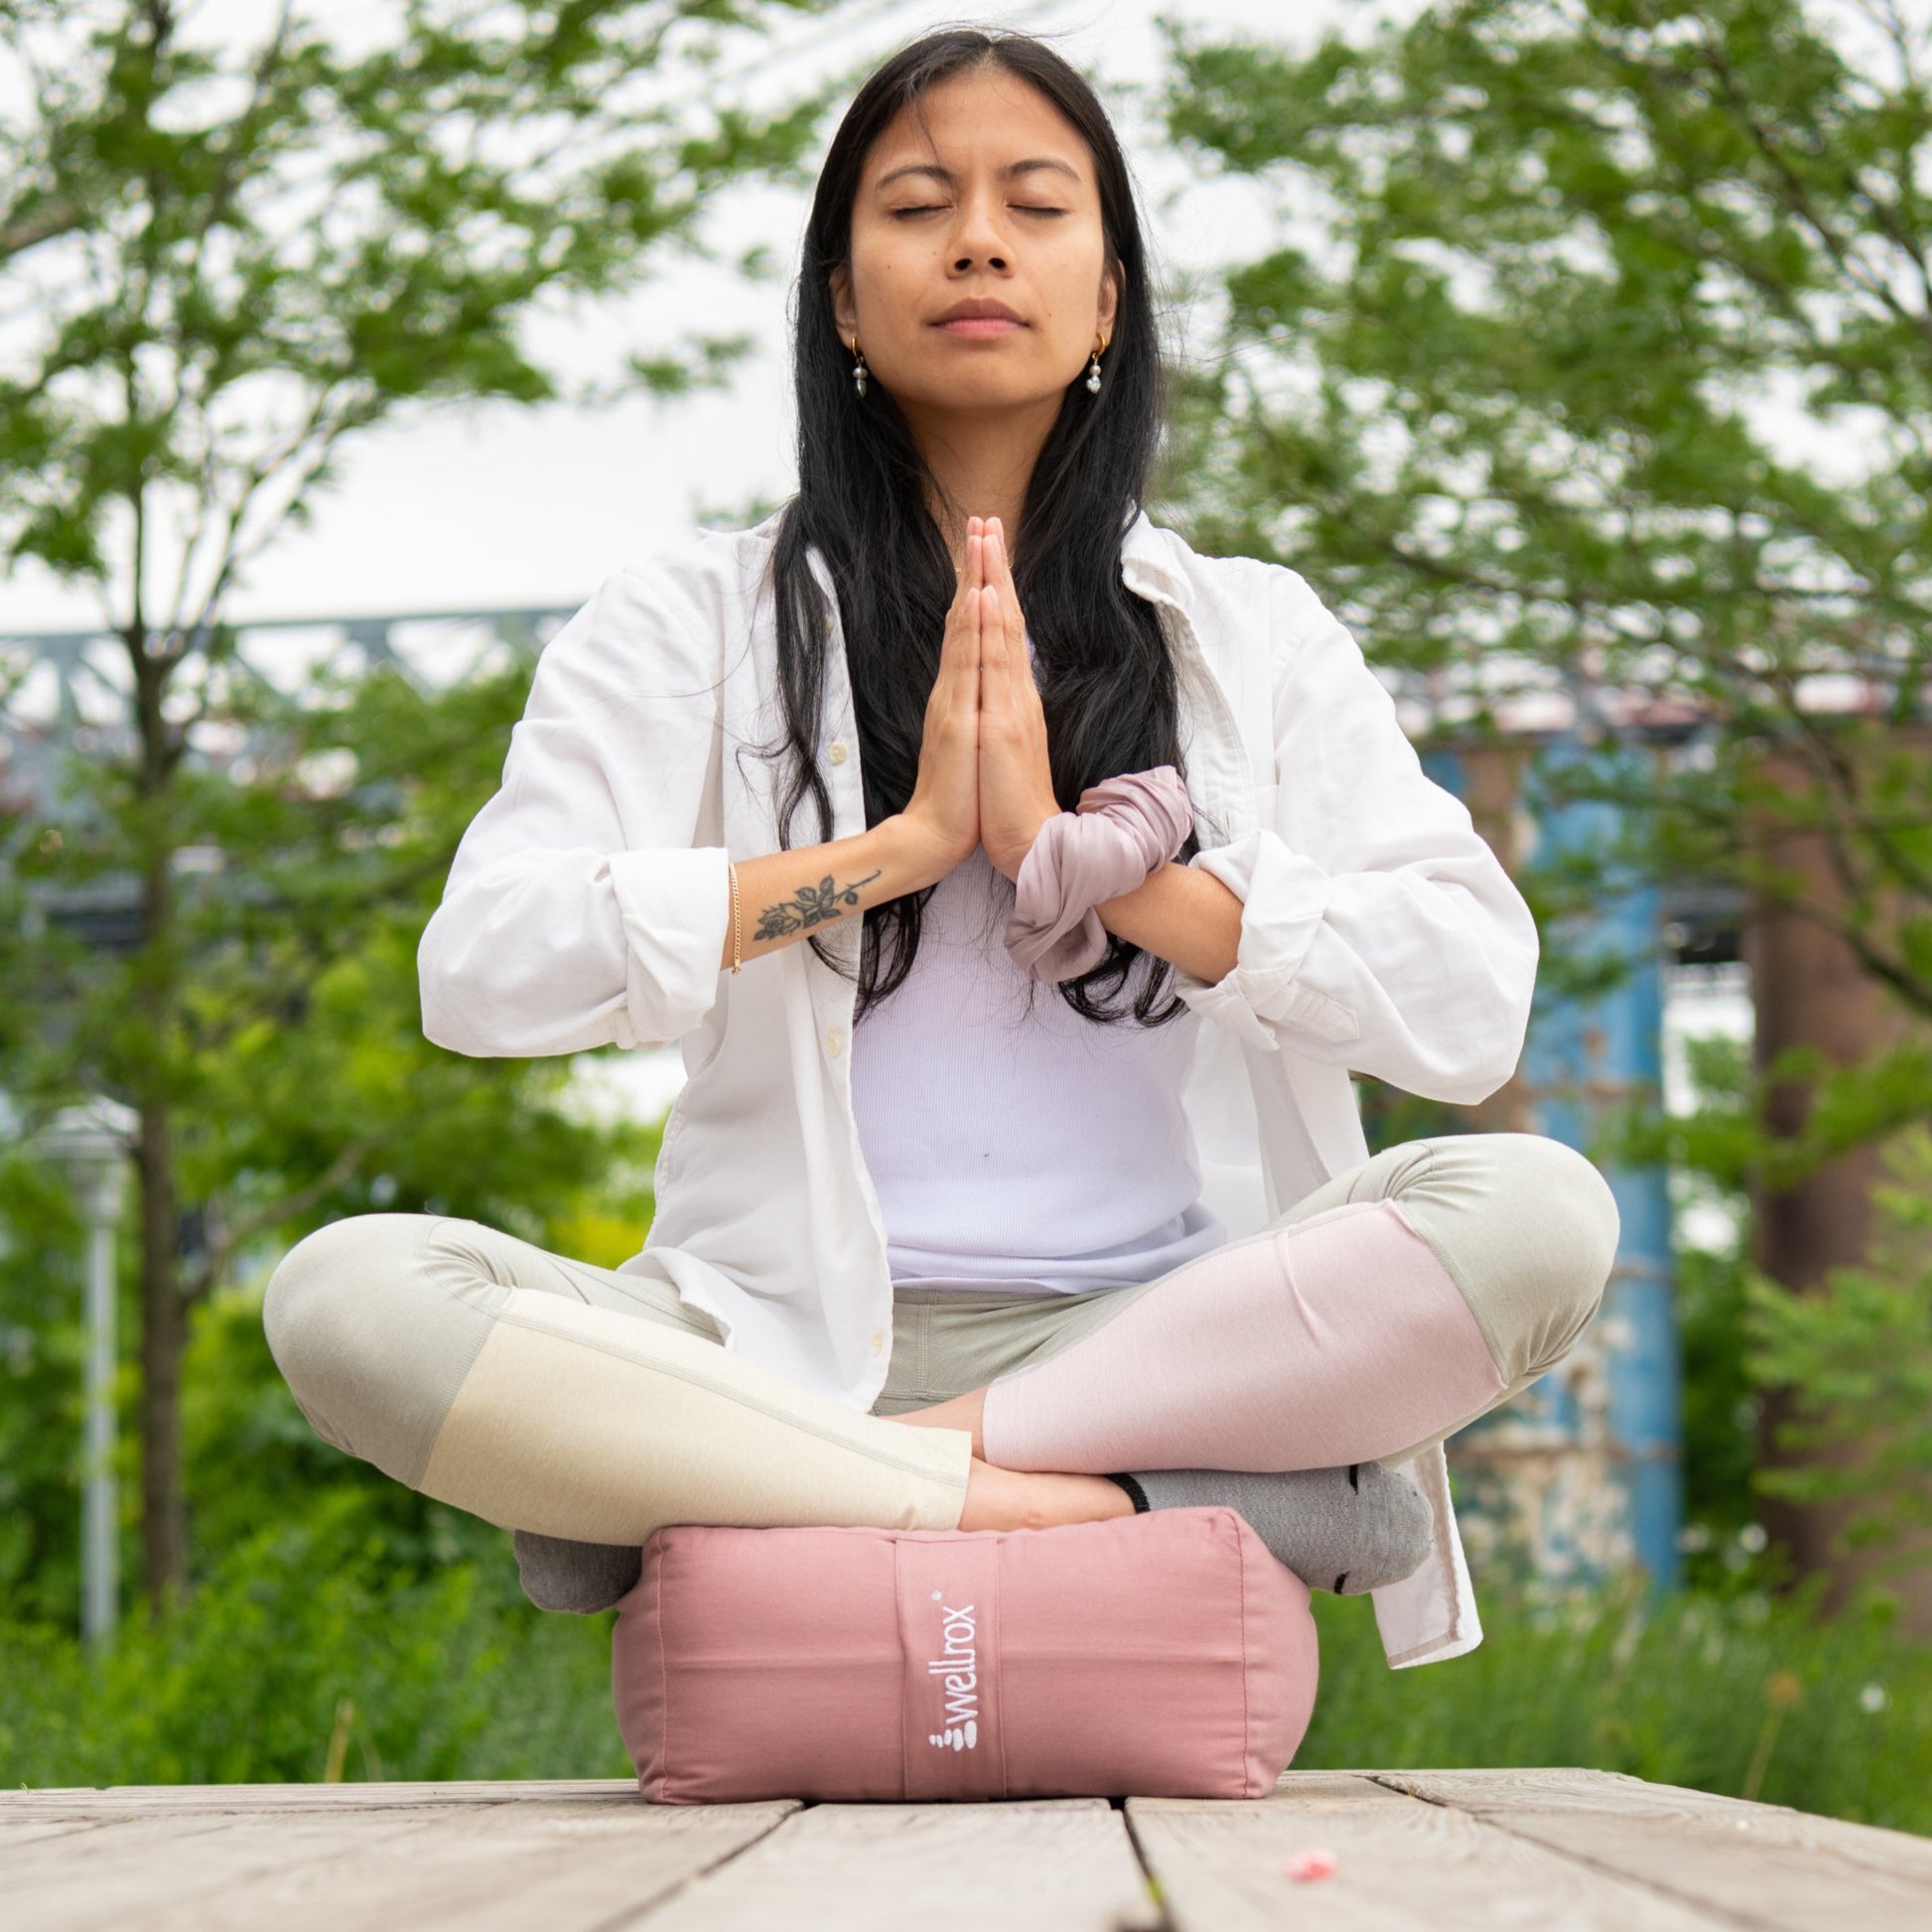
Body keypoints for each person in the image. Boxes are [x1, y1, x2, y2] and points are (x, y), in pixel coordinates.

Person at [261, 27, 1619, 1667]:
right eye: (918, 203)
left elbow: (1468, 1005)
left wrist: (1085, 854)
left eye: (1034, 204)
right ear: (841, 297)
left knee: (1542, 1211)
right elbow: (481, 972)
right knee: (346, 1298)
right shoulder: (685, 618)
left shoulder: (1249, 636)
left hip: (1162, 1339)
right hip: (753, 1338)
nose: (977, 238)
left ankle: (789, 1492)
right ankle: (1085, 1498)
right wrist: (897, 849)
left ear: (1108, 296)